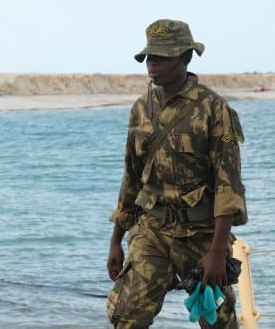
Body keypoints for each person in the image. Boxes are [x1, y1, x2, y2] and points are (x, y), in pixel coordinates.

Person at [106, 19, 248, 328]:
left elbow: (229, 185)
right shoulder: (141, 109)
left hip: (201, 234)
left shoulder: (214, 109)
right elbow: (131, 177)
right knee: (126, 315)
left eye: (161, 56)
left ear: (185, 57)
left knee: (218, 321)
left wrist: (217, 251)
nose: (151, 63)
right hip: (152, 230)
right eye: (148, 57)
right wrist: (116, 239)